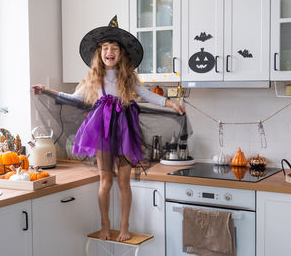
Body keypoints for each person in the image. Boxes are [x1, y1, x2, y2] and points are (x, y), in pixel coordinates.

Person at [32, 16, 185, 242]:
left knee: (124, 181)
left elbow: (148, 95)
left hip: (125, 132)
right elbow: (72, 99)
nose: (109, 52)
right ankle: (105, 225)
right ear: (99, 53)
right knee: (106, 181)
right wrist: (47, 91)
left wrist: (171, 103)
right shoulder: (94, 79)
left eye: (114, 48)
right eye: (105, 48)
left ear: (121, 54)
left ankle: (124, 226)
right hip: (102, 131)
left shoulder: (128, 78)